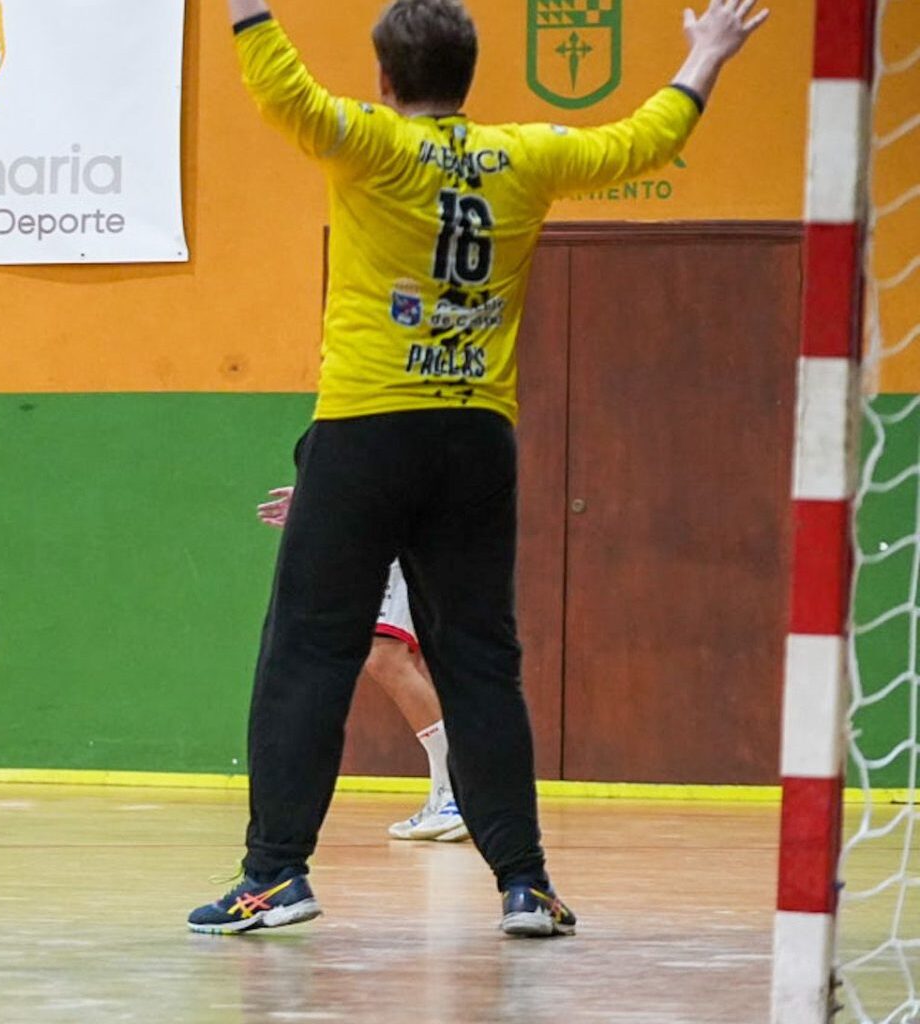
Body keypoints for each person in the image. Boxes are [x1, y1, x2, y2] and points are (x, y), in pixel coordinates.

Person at [189, 0, 767, 937]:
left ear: (385, 78)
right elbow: (643, 141)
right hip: (475, 439)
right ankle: (525, 884)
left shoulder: (371, 144)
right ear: (468, 75)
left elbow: (281, 88)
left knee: (308, 653)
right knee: (482, 664)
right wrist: (706, 54)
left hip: (368, 431)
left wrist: (248, 10)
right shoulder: (527, 154)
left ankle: (276, 876)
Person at [256, 484, 464, 841]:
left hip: (399, 536)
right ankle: (452, 792)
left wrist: (321, 498)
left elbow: (383, 469)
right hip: (397, 533)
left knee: (386, 657)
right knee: (391, 658)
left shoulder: (395, 434)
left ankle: (458, 793)